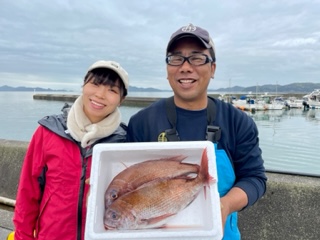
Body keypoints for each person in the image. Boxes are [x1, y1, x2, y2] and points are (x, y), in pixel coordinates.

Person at [126, 23, 267, 239]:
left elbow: (255, 178)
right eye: (176, 58)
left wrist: (225, 206)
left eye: (197, 57)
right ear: (167, 69)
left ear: (212, 69)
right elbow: (129, 184)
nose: (185, 66)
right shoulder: (142, 122)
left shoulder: (238, 122)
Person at [13, 60, 129, 240]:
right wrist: (23, 236)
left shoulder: (124, 141)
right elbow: (28, 192)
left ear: (121, 100)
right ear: (83, 85)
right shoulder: (48, 131)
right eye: (95, 84)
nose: (100, 94)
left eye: (112, 90)